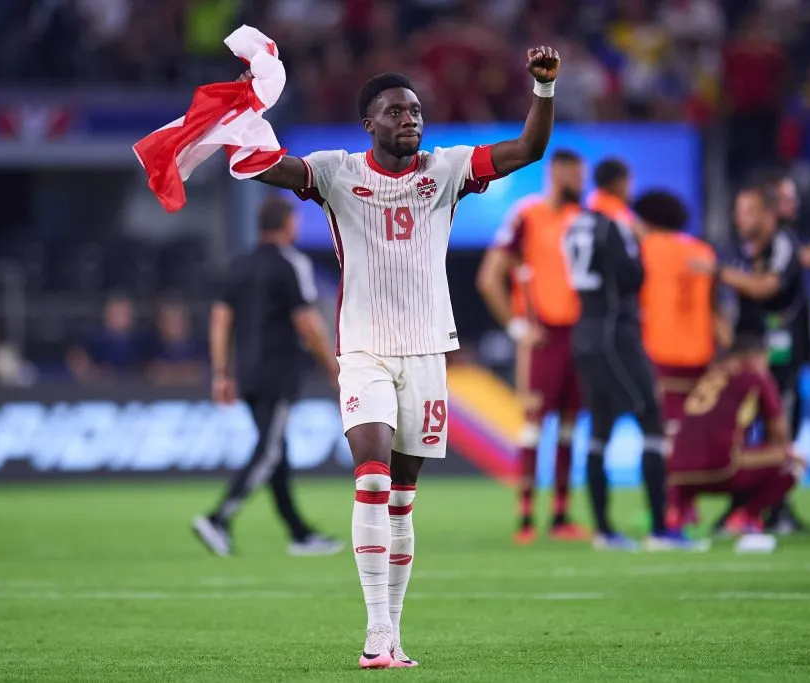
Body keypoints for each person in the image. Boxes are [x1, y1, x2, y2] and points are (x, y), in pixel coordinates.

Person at [239, 47, 561, 668]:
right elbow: (268, 169)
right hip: (362, 351)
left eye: (415, 110)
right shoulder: (334, 172)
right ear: (370, 124)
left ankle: (395, 629)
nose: (410, 118)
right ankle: (376, 633)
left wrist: (543, 90)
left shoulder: (446, 170)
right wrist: (237, 125)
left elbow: (527, 151)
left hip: (428, 352)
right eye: (395, 111)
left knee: (404, 497)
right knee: (374, 477)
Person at [193, 197, 344, 558]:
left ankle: (299, 532)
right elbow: (307, 323)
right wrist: (334, 369)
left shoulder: (239, 265)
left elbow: (220, 320)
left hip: (247, 372)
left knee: (276, 451)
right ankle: (218, 517)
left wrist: (221, 372)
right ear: (287, 223)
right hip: (279, 372)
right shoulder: (292, 264)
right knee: (270, 450)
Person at [566, 160, 705, 553]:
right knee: (651, 418)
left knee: (600, 429)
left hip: (585, 331)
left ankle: (604, 531)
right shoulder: (618, 224)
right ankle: (661, 530)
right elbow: (631, 277)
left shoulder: (577, 223)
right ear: (620, 184)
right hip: (615, 333)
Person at [475, 149, 589, 544]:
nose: (581, 183)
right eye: (575, 175)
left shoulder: (585, 220)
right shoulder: (528, 215)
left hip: (580, 336)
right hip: (544, 337)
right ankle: (525, 518)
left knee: (570, 428)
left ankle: (561, 516)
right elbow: (489, 277)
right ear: (557, 174)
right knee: (532, 427)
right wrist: (519, 328)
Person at [698, 183, 810, 534]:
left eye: (747, 211)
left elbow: (766, 287)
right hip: (746, 354)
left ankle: (777, 508)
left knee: (782, 428)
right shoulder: (739, 250)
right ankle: (739, 508)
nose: (738, 218)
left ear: (768, 214)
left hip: (782, 356)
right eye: (737, 211)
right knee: (739, 430)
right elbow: (722, 300)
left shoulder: (783, 245)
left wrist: (716, 272)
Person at [666, 334, 804, 546]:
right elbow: (778, 427)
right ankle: (745, 517)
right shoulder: (754, 376)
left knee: (682, 453)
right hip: (721, 466)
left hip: (676, 473)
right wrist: (780, 449)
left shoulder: (708, 375)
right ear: (754, 358)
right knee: (794, 462)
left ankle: (677, 514)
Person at [637, 190, 728, 440]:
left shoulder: (646, 249)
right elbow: (715, 307)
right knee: (694, 429)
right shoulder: (704, 251)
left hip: (660, 353)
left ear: (648, 221)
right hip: (700, 354)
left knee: (663, 432)